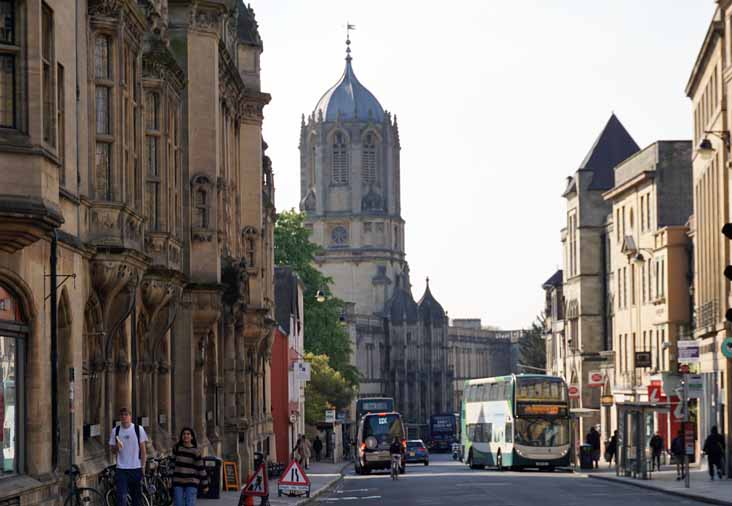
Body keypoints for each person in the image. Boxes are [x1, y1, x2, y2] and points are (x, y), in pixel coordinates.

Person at [108, 407, 148, 506]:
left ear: (130, 416)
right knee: (121, 497)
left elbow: (143, 450)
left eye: (126, 415)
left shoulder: (138, 429)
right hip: (121, 469)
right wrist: (117, 447)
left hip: (135, 467)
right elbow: (112, 450)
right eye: (122, 415)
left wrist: (143, 466)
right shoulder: (115, 431)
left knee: (136, 498)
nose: (124, 417)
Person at [171, 427, 208, 506]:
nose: (186, 436)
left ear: (192, 437)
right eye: (184, 434)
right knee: (178, 504)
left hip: (191, 481)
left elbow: (201, 468)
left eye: (188, 434)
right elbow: (172, 464)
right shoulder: (177, 448)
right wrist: (169, 478)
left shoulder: (195, 451)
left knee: (189, 504)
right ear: (181, 436)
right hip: (178, 481)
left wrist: (205, 485)